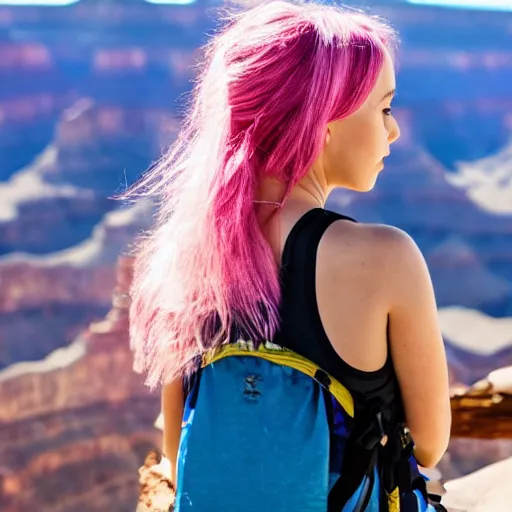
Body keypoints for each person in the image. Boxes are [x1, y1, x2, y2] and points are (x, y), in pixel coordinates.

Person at [126, 0, 451, 506]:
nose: (395, 131)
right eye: (384, 108)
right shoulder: (387, 258)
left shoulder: (181, 262)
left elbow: (178, 447)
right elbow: (430, 444)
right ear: (323, 119)